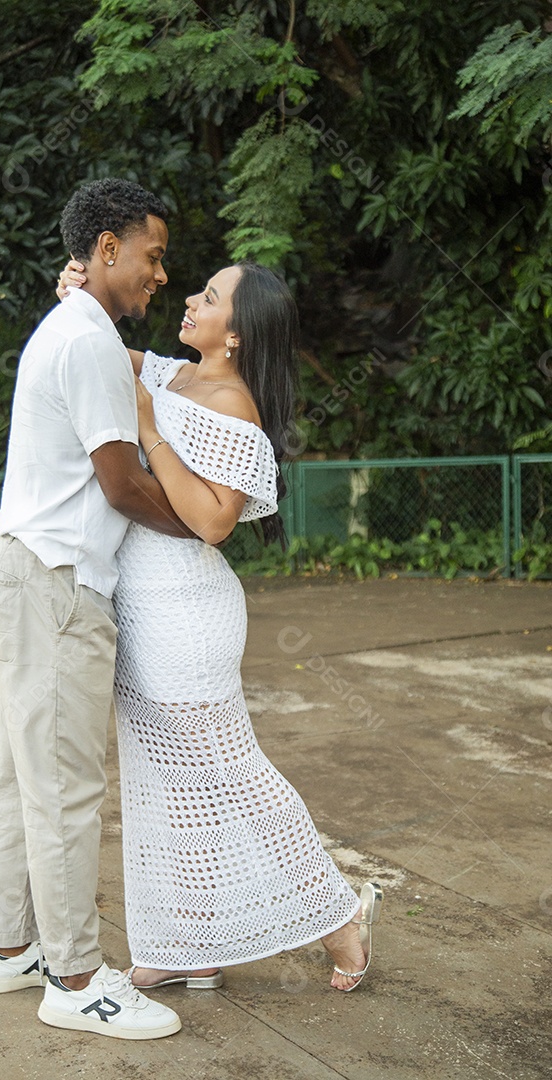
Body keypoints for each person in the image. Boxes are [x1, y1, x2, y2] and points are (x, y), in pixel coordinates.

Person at [56, 257, 384, 994]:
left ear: (237, 335)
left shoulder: (234, 405)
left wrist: (147, 428)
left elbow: (211, 522)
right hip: (138, 604)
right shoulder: (172, 374)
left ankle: (340, 919)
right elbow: (102, 343)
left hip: (188, 613)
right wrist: (76, 289)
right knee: (161, 781)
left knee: (229, 775)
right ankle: (184, 944)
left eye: (210, 297)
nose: (191, 301)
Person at [0, 178, 195, 1041]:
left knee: (19, 776)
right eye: (152, 255)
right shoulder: (90, 338)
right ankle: (73, 977)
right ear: (107, 249)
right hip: (57, 582)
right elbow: (122, 480)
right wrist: (199, 527)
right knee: (64, 786)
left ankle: (10, 946)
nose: (159, 275)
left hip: (23, 569)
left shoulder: (71, 326)